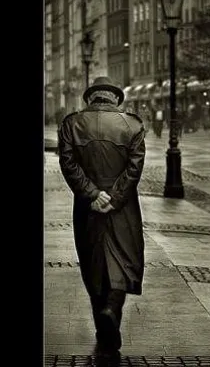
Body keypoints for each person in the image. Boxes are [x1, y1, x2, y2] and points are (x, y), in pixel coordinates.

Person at [58, 76, 146, 362]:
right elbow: (134, 169)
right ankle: (111, 310)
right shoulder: (132, 125)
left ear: (91, 98)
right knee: (125, 258)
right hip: (123, 208)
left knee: (92, 260)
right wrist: (115, 197)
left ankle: (102, 323)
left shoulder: (72, 123)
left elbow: (68, 163)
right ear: (115, 98)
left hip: (87, 207)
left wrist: (92, 194)